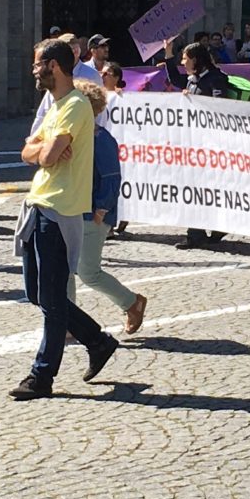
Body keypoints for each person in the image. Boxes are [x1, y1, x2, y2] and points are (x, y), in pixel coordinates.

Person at [10, 39, 119, 397]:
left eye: (38, 64)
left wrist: (43, 151)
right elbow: (30, 152)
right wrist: (43, 149)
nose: (33, 70)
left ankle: (42, 376)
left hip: (59, 209)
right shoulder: (54, 106)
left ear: (54, 66)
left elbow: (46, 155)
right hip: (38, 204)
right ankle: (97, 341)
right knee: (37, 293)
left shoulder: (74, 105)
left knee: (52, 297)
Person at [67, 84, 147, 333]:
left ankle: (132, 302)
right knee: (65, 269)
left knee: (88, 272)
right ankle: (67, 323)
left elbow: (112, 177)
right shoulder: (75, 135)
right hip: (69, 211)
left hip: (92, 214)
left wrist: (101, 208)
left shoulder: (101, 138)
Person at [175, 44, 232, 250]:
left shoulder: (216, 78)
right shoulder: (193, 80)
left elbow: (220, 104)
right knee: (194, 187)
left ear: (196, 60)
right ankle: (198, 232)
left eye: (185, 59)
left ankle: (205, 231)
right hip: (193, 143)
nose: (183, 63)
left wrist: (195, 101)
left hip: (209, 144)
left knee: (204, 187)